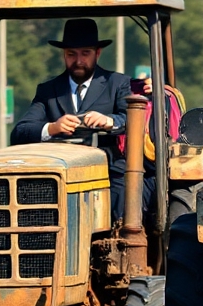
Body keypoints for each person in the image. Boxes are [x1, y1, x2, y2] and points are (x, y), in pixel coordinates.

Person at [12, 17, 135, 215]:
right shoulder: (48, 90)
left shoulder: (117, 83)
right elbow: (20, 131)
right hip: (57, 174)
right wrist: (52, 128)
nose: (78, 61)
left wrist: (109, 121)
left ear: (98, 53)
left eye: (85, 53)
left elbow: (132, 119)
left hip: (108, 171)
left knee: (125, 193)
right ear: (64, 55)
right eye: (71, 54)